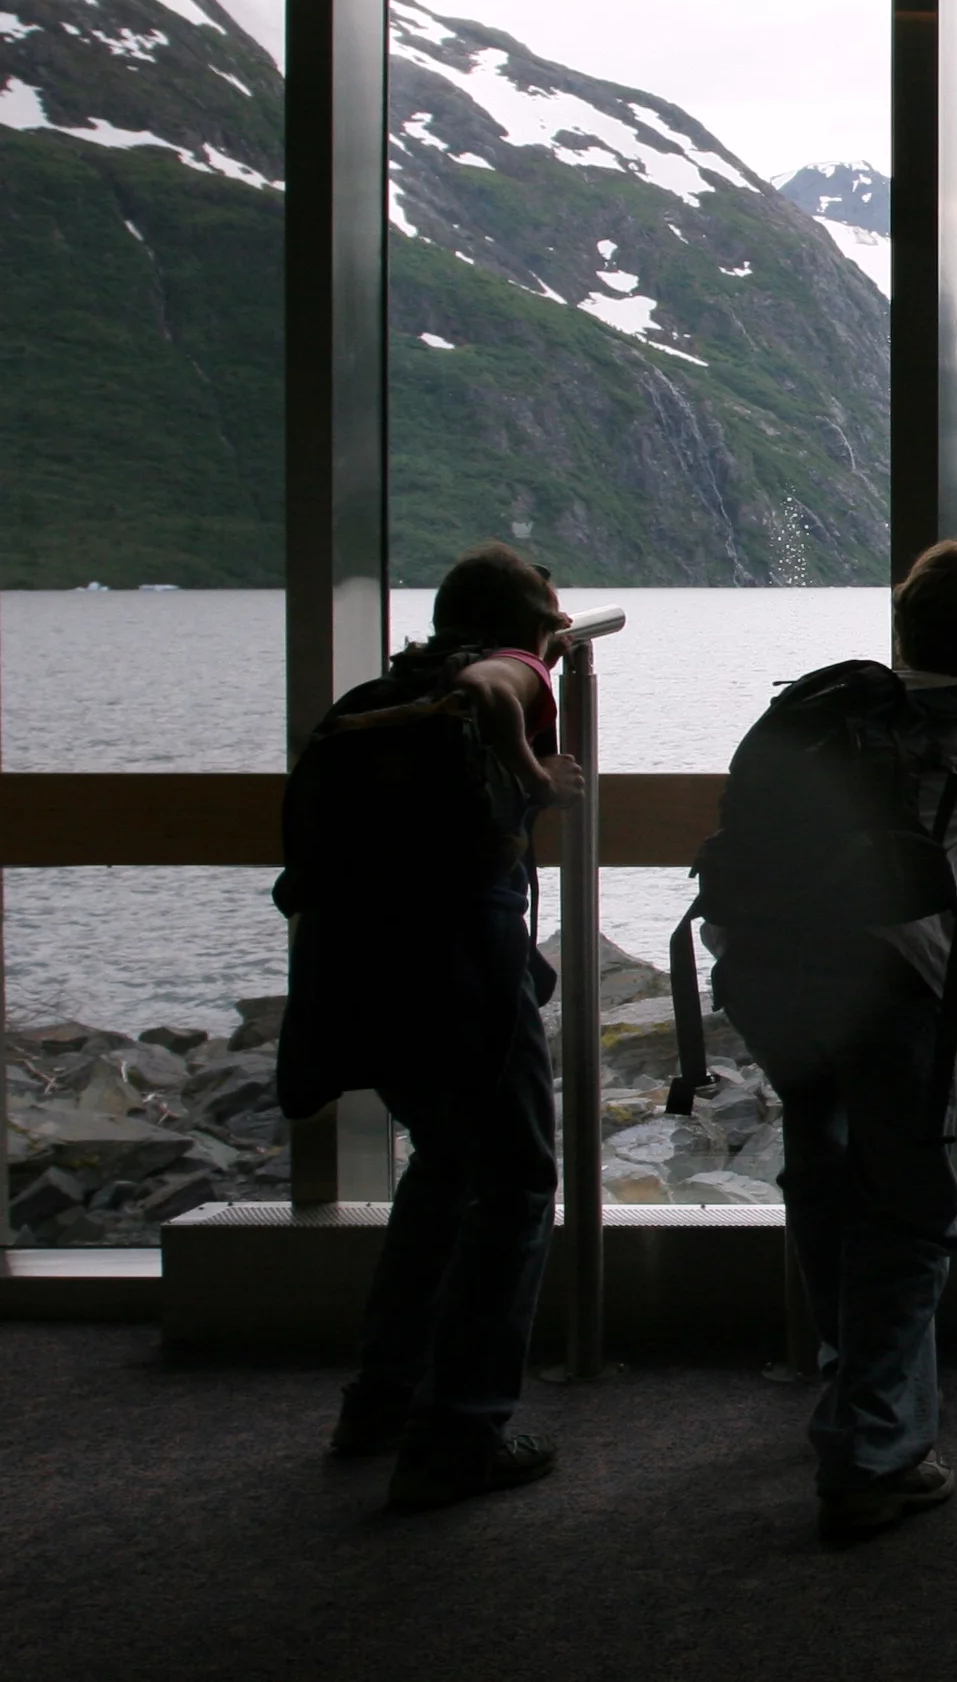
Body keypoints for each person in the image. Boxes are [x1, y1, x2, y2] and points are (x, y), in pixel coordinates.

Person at [714, 539, 957, 1542]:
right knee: (913, 1211)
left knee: (824, 1170)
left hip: (763, 969)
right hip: (889, 986)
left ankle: (857, 1394)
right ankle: (872, 1451)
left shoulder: (825, 706)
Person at [313, 543, 581, 1511]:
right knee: (518, 1185)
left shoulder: (385, 693)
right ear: (530, 622)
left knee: (446, 1166)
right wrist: (532, 766)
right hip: (465, 974)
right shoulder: (509, 669)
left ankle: (380, 1399)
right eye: (550, 618)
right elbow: (494, 683)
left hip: (371, 971)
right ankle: (461, 1430)